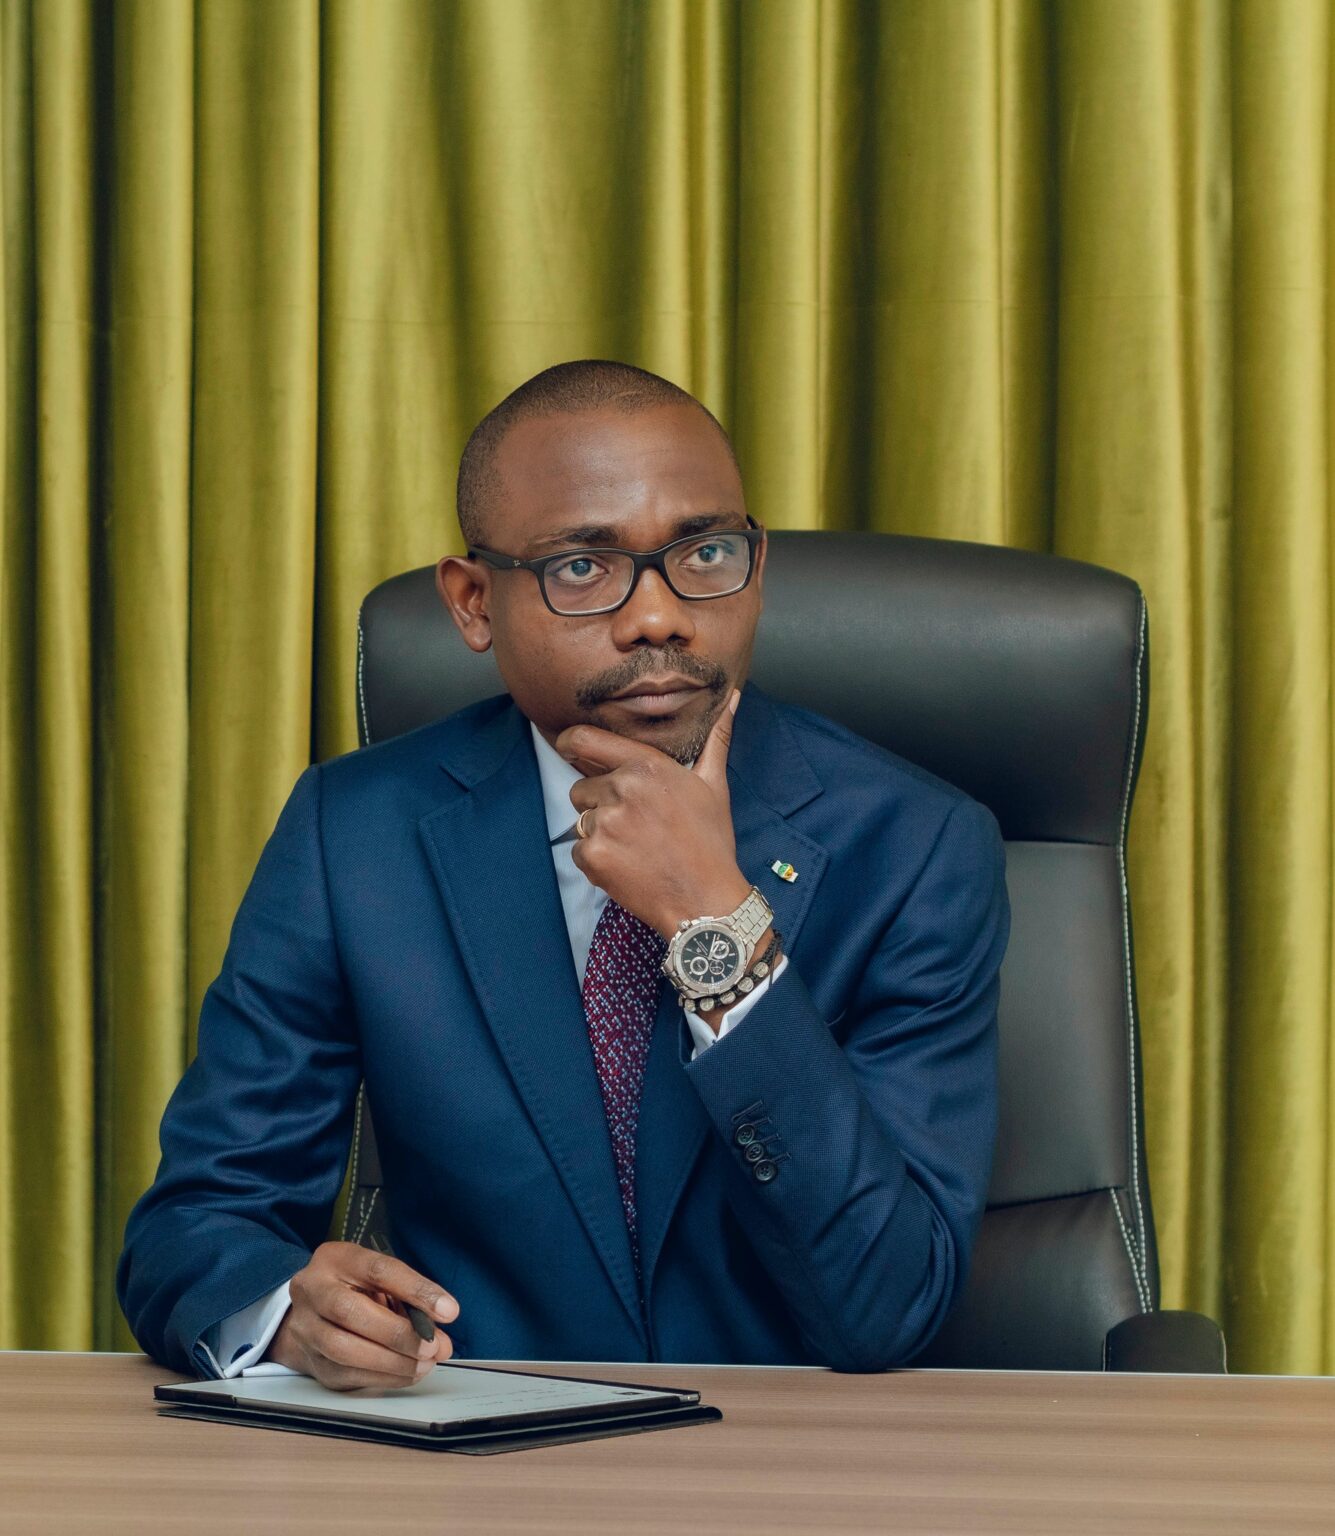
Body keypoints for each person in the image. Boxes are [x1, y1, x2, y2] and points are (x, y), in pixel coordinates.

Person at [117, 360, 1010, 1388]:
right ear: (473, 604)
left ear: (756, 566)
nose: (658, 618)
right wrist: (286, 1315)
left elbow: (889, 1305)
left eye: (704, 553)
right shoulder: (355, 834)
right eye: (582, 567)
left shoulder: (917, 846)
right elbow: (199, 1221)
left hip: (791, 1450)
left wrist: (716, 926)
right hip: (475, 1437)